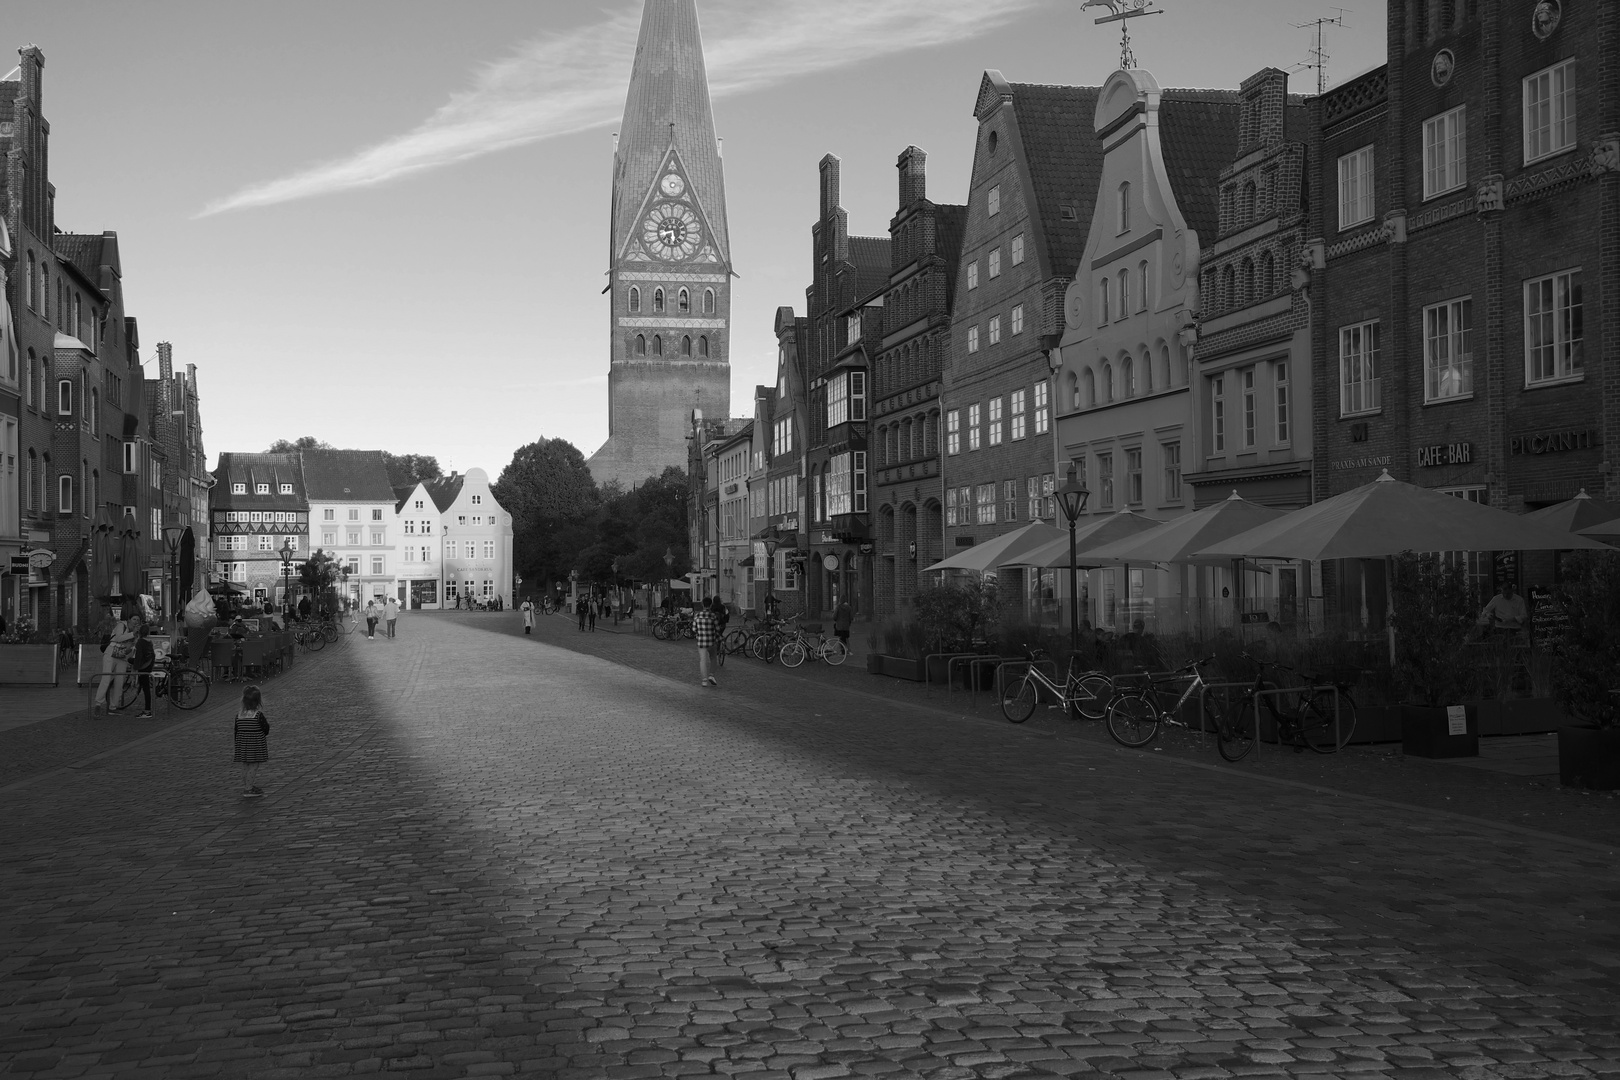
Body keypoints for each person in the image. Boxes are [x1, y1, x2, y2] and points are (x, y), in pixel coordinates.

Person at [93, 613, 136, 715]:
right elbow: (118, 638)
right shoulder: (121, 625)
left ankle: (113, 706)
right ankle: (98, 704)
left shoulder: (135, 632)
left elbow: (133, 646)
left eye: (138, 620)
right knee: (106, 678)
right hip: (111, 653)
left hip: (122, 656)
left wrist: (130, 651)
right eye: (134, 619)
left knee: (119, 681)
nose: (136, 622)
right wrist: (133, 634)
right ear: (129, 620)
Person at [233, 684, 270, 799]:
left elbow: (236, 730)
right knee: (254, 766)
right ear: (258, 701)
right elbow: (266, 728)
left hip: (242, 744)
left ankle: (248, 785)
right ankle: (248, 788)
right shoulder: (258, 715)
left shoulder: (239, 715)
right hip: (255, 745)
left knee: (245, 765)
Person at [132, 624, 157, 718]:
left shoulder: (140, 642)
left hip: (142, 667)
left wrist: (135, 667)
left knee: (146, 688)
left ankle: (147, 710)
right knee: (146, 688)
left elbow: (138, 657)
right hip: (148, 665)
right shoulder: (149, 642)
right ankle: (147, 710)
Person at [693, 597, 718, 687]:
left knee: (702, 660)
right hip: (711, 641)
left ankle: (704, 680)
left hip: (701, 642)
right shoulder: (713, 615)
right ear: (711, 605)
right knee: (713, 658)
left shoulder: (697, 615)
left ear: (702, 604)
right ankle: (711, 675)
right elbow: (717, 629)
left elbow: (693, 629)